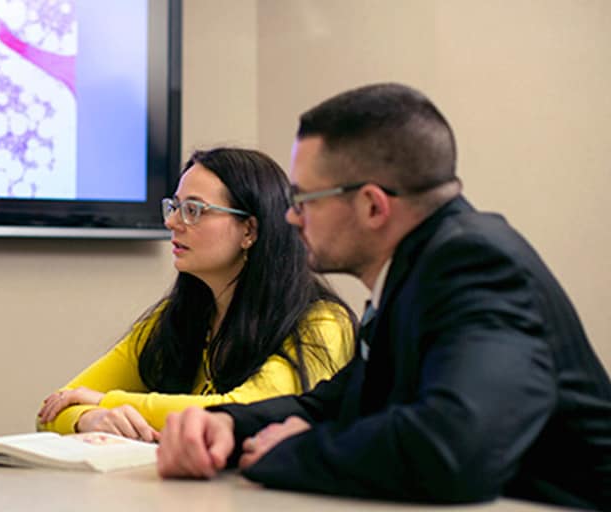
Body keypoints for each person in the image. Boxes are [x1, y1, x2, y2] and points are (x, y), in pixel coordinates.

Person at [156, 84, 611, 509]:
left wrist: (291, 453)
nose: (292, 218)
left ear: (373, 206)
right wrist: (228, 426)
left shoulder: (476, 265)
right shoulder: (420, 270)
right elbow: (336, 402)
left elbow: (451, 450)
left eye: (304, 199)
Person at [36, 148, 355, 441]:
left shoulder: (322, 322)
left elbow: (245, 411)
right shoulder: (175, 317)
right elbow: (54, 408)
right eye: (174, 207)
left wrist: (106, 401)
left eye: (194, 210)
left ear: (250, 231)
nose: (172, 222)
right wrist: (89, 419)